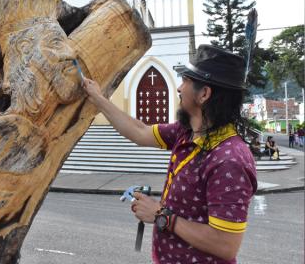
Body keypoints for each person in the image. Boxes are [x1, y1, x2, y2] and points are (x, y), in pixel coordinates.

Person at [82, 44, 257, 263]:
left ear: (204, 94)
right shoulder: (185, 132)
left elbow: (225, 244)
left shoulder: (229, 160)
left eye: (186, 81)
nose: (179, 88)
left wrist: (160, 215)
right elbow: (139, 131)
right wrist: (98, 99)